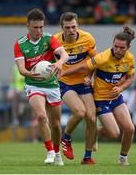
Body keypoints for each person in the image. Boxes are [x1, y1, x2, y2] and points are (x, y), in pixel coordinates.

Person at [60, 26, 136, 165]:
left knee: (130, 129)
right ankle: (93, 132)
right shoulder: (103, 57)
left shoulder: (130, 59)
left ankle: (123, 158)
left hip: (116, 98)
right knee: (114, 134)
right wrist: (64, 72)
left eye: (122, 48)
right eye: (115, 46)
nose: (118, 50)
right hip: (101, 100)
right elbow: (85, 66)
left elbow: (130, 78)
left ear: (128, 47)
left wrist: (121, 88)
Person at [14, 8, 69, 165]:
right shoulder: (20, 44)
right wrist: (28, 74)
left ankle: (57, 152)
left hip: (51, 85)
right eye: (35, 27)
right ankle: (50, 151)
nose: (39, 30)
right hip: (33, 84)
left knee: (56, 125)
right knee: (41, 116)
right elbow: (21, 68)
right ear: (28, 26)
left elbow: (64, 54)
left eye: (41, 27)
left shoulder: (49, 38)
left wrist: (59, 62)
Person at [54, 12, 97, 164]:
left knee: (92, 118)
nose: (71, 30)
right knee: (80, 112)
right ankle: (66, 137)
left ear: (77, 25)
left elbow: (94, 60)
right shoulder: (55, 41)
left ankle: (87, 158)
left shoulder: (88, 38)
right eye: (67, 28)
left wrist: (89, 76)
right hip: (65, 82)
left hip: (83, 82)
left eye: (74, 27)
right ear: (62, 28)